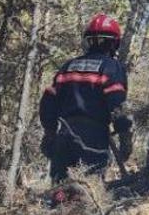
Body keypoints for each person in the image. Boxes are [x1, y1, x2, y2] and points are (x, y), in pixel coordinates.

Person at [38, 14, 133, 191]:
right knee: (89, 191)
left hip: (64, 134)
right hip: (93, 137)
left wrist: (49, 132)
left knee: (60, 190)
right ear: (114, 43)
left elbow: (49, 99)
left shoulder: (69, 66)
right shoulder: (112, 67)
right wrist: (125, 136)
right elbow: (117, 104)